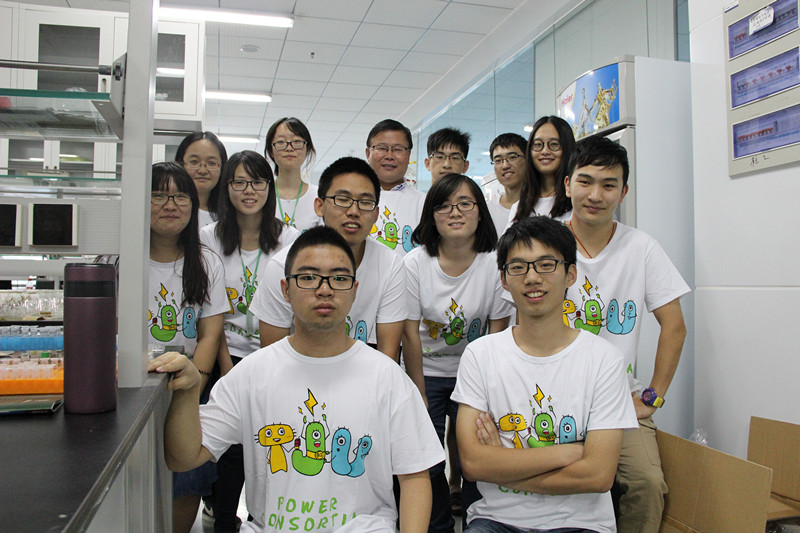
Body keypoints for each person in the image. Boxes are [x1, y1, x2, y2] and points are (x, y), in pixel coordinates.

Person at [149, 227, 444, 533]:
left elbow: (414, 476)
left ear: (355, 290)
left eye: (339, 279)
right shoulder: (251, 374)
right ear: (285, 289)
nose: (324, 290)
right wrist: (187, 392)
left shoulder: (387, 376)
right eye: (309, 277)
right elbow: (184, 458)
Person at [452, 216, 639, 532]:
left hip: (580, 523)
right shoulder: (480, 355)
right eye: (518, 267)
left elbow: (598, 475)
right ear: (504, 280)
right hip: (496, 520)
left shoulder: (604, 360)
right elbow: (472, 464)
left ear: (570, 275)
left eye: (546, 265)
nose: (532, 277)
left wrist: (503, 465)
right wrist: (570, 452)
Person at [562, 136, 689, 533]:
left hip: (618, 399)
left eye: (609, 184)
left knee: (647, 485)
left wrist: (652, 396)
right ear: (567, 185)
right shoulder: (544, 241)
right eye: (585, 181)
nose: (595, 195)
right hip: (552, 392)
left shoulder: (641, 247)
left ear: (624, 192)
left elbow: (675, 326)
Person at [403, 174, 514, 532]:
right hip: (427, 371)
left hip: (476, 374)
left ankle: (476, 522)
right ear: (431, 215)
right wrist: (418, 391)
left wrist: (488, 392)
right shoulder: (415, 263)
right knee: (428, 458)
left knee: (475, 456)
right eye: (444, 205)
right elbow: (409, 334)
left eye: (465, 204)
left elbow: (497, 334)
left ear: (481, 212)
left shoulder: (495, 264)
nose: (455, 212)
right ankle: (438, 525)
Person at [199, 151, 300, 532]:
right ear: (226, 188)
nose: (249, 190)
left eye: (257, 182)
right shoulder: (208, 239)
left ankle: (265, 517)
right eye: (238, 182)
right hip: (225, 357)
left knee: (271, 440)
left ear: (269, 188)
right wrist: (228, 370)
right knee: (229, 447)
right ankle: (224, 519)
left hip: (278, 358)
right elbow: (211, 313)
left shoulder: (289, 238)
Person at [249, 157, 407, 359]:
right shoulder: (282, 266)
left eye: (365, 202)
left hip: (364, 372)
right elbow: (272, 358)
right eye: (342, 199)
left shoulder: (390, 265)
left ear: (376, 214)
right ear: (319, 206)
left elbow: (388, 355)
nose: (354, 211)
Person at [147, 162, 227, 533]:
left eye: (181, 197)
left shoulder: (206, 261)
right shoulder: (119, 260)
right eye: (158, 195)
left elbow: (210, 333)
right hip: (134, 384)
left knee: (186, 477)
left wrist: (194, 386)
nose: (170, 205)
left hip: (187, 385)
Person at [365, 119, 424, 255]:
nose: (390, 156)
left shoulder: (424, 203)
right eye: (382, 148)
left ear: (408, 155)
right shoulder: (351, 200)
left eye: (398, 149)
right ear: (368, 153)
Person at [510, 116, 575, 226]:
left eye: (554, 144)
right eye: (538, 145)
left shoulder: (577, 201)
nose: (545, 151)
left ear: (567, 148)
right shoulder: (519, 208)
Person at [264, 117, 322, 231]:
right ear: (271, 151)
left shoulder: (318, 196)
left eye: (297, 142)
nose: (289, 148)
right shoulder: (262, 194)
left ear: (307, 149)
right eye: (281, 142)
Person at [175, 131, 229, 227]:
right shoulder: (170, 210)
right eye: (194, 162)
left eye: (211, 163)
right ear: (180, 164)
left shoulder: (228, 215)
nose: (202, 171)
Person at [486, 133, 528, 232]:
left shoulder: (542, 205)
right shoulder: (488, 211)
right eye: (498, 160)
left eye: (512, 157)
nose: (505, 165)